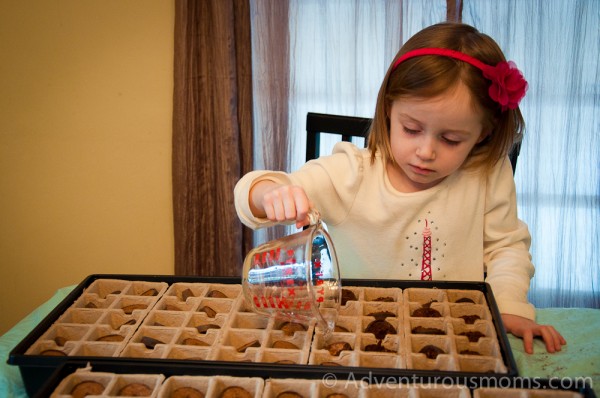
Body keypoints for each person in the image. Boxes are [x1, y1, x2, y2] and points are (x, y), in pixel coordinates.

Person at [234, 22, 565, 354]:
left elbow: (506, 248)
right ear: (389, 110)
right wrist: (268, 194)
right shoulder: (352, 172)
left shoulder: (487, 173)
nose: (426, 151)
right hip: (355, 339)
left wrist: (506, 304)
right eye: (411, 129)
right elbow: (253, 193)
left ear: (483, 133)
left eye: (451, 139)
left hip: (454, 338)